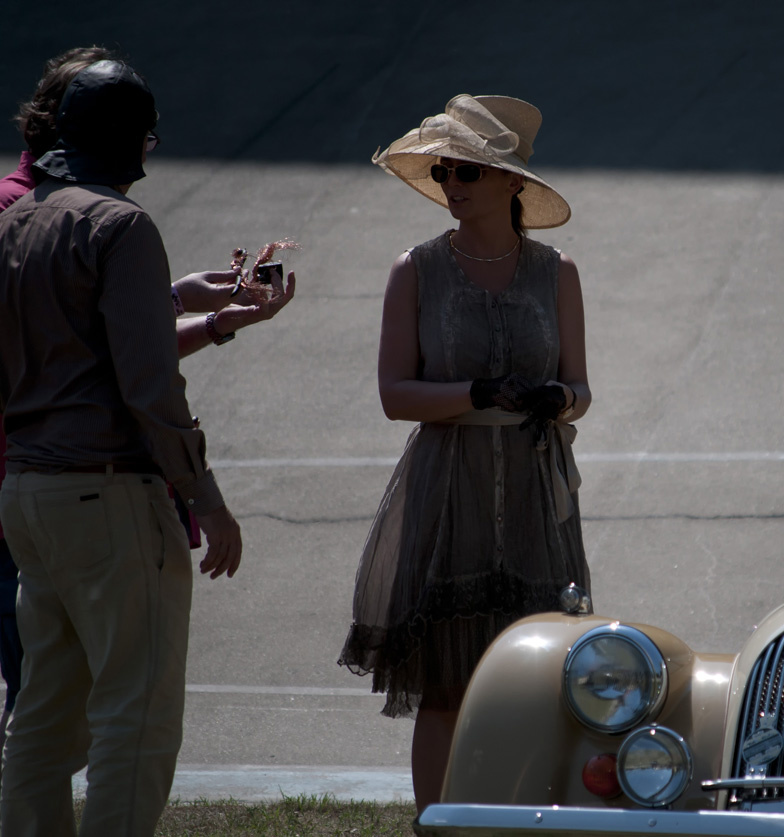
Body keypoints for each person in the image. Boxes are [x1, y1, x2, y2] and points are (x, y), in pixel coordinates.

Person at [0, 47, 295, 758]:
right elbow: (147, 384)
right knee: (134, 716)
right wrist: (207, 498)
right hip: (99, 491)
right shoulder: (115, 223)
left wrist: (200, 312)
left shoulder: (20, 216)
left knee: (41, 712)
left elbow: (78, 343)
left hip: (26, 486)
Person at [337, 94, 592, 825]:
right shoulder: (415, 269)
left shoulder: (557, 271)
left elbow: (581, 387)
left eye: (467, 172)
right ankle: (438, 823)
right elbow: (395, 394)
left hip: (537, 495)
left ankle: (529, 817)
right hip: (448, 490)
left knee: (538, 678)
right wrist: (475, 390)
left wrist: (556, 398)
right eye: (445, 170)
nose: (452, 185)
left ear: (510, 182)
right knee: (446, 684)